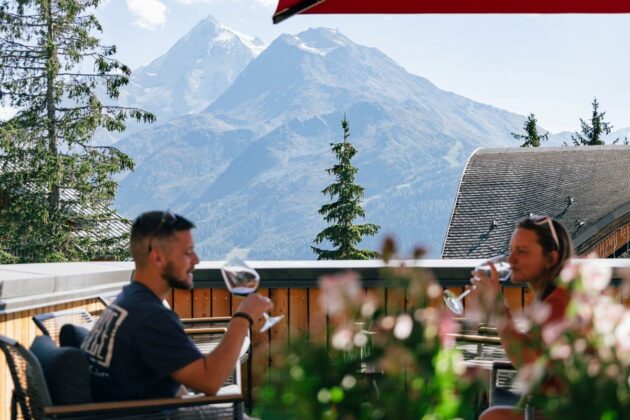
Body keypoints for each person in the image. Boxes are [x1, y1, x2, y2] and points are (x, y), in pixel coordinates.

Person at [82, 210, 272, 402]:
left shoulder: (129, 299)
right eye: (188, 252)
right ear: (157, 258)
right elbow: (210, 381)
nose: (196, 260)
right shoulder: (150, 317)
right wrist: (244, 316)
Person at [476, 215, 573, 420]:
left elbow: (530, 365)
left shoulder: (559, 304)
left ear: (551, 259)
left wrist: (498, 307)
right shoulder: (554, 297)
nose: (510, 260)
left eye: (522, 252)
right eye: (511, 251)